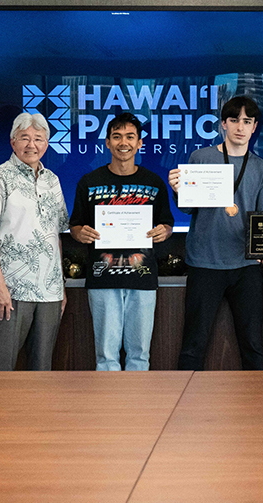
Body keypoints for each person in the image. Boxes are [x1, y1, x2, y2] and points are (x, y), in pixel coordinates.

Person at [169, 97, 263, 370]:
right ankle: (183, 408)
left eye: (247, 121)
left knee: (253, 344)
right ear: (223, 125)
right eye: (234, 120)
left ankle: (258, 405)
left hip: (246, 265)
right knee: (193, 344)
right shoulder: (201, 158)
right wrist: (177, 190)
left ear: (254, 128)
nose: (240, 127)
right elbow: (186, 209)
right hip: (204, 261)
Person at [69, 113, 174, 371]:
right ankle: (108, 410)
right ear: (107, 143)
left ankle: (136, 410)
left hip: (143, 277)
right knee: (106, 356)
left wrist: (164, 231)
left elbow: (167, 223)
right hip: (103, 278)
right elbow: (75, 225)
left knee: (140, 355)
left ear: (140, 143)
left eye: (130, 136)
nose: (123, 142)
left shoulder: (153, 182)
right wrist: (79, 233)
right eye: (116, 136)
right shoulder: (89, 182)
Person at [0, 112, 69, 371]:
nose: (32, 145)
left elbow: (56, 235)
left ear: (46, 144)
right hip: (11, 290)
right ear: (12, 142)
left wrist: (59, 285)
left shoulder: (53, 181)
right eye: (24, 138)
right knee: (3, 366)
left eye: (38, 139)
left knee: (42, 369)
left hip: (49, 291)